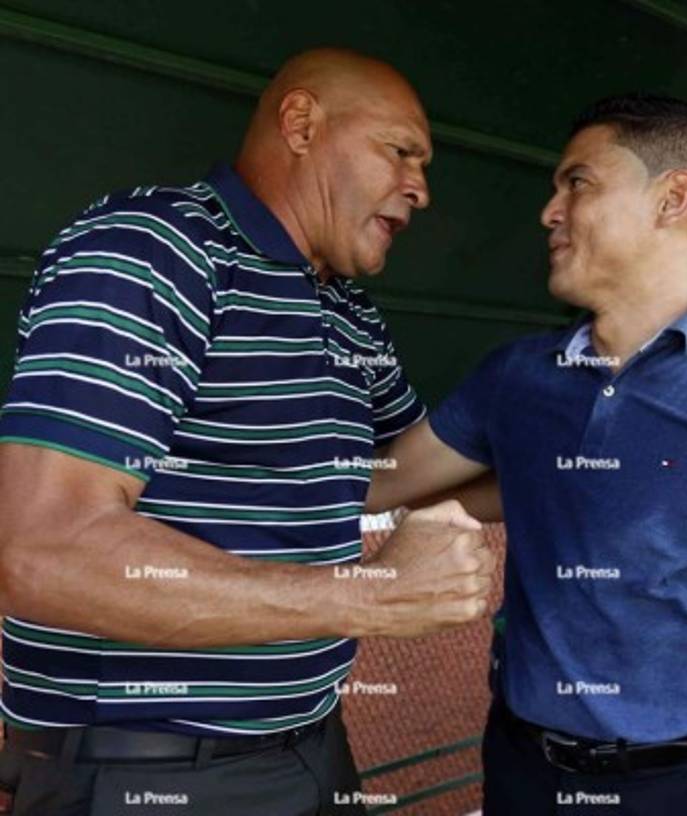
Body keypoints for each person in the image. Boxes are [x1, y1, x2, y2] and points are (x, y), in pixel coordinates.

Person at [0, 49, 496, 815]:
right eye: (401, 152)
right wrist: (374, 593)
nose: (421, 189)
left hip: (312, 748)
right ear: (301, 123)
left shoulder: (349, 312)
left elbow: (389, 473)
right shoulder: (155, 251)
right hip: (149, 771)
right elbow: (45, 550)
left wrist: (586, 468)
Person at [364, 94, 687, 815]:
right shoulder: (517, 378)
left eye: (578, 183)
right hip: (522, 771)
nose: (549, 210)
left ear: (673, 198)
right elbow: (377, 486)